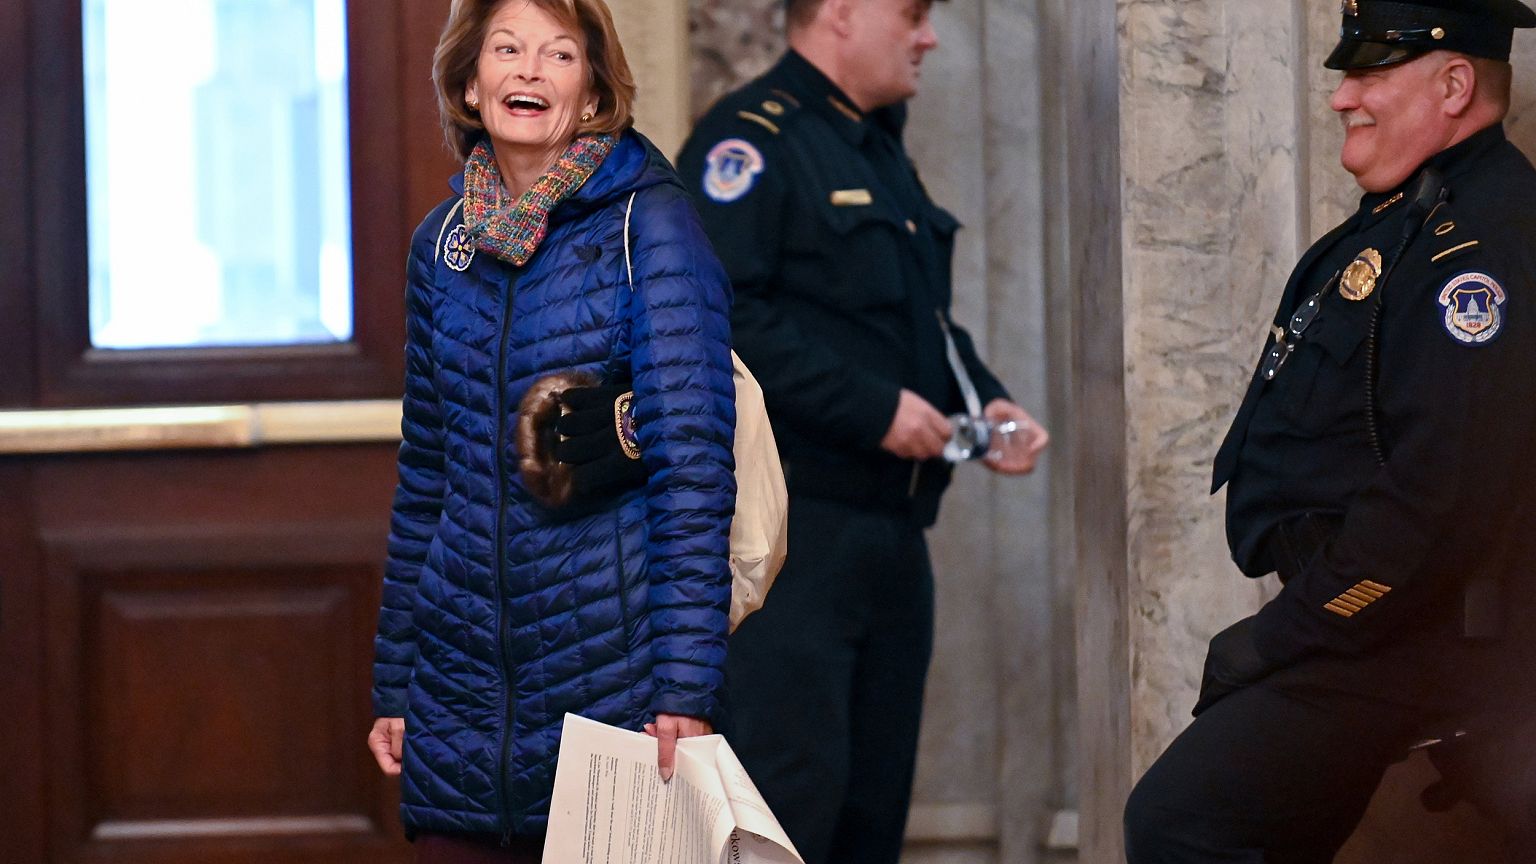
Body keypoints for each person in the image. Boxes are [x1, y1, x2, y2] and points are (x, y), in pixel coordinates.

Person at [1124, 1, 1536, 861]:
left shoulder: (1476, 252)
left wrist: (1280, 637)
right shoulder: (1417, 211)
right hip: (1372, 619)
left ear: (1455, 85)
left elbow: (1438, 505)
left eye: (1371, 74)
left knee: (1178, 821)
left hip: (1414, 631)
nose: (1342, 97)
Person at [674, 1, 1049, 861]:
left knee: (871, 821)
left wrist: (984, 401)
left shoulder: (874, 142)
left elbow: (919, 322)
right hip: (795, 542)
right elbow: (723, 323)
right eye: (911, 14)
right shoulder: (751, 142)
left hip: (891, 536)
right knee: (790, 812)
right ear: (841, 12)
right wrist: (873, 409)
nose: (929, 36)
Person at [365, 0, 737, 860]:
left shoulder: (651, 226)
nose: (529, 70)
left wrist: (684, 688)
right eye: (507, 49)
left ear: (594, 91)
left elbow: (693, 473)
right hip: (459, 687)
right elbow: (426, 477)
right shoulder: (441, 246)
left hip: (615, 683)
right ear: (469, 82)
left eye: (560, 54)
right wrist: (397, 681)